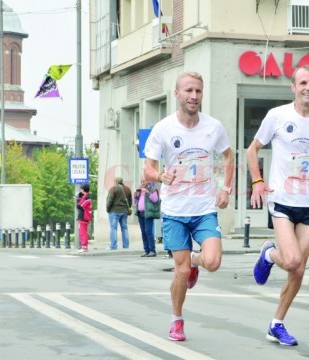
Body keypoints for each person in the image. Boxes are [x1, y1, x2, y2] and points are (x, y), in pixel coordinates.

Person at [247, 65, 309, 346]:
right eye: (302, 82)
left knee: (298, 270)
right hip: (282, 199)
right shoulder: (277, 116)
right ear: (293, 87)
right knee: (290, 260)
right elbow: (251, 149)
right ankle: (268, 254)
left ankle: (276, 323)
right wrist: (257, 181)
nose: (308, 87)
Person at [143, 71, 235, 342]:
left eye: (198, 91)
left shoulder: (213, 127)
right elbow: (148, 169)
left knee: (214, 262)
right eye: (188, 91)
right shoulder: (164, 129)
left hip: (204, 208)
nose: (194, 96)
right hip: (174, 211)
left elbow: (229, 157)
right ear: (177, 94)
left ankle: (196, 261)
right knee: (180, 272)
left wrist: (226, 188)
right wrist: (161, 176)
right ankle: (177, 319)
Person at [106, 177, 132, 250]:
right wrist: (128, 208)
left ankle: (113, 246)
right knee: (124, 228)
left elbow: (109, 200)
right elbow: (130, 201)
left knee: (113, 228)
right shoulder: (127, 189)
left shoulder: (113, 189)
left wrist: (108, 209)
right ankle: (126, 246)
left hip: (114, 211)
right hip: (124, 211)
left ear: (115, 181)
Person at [134, 177, 157, 257]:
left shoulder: (152, 189)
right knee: (143, 232)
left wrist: (147, 192)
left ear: (148, 181)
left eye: (144, 181)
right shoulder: (140, 190)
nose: (142, 182)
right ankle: (146, 250)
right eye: (141, 181)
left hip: (148, 213)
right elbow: (135, 202)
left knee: (148, 231)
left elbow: (155, 199)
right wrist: (135, 196)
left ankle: (152, 250)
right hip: (140, 213)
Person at [76, 184, 92, 253]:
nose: (80, 190)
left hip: (83, 216)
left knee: (83, 232)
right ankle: (85, 246)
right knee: (84, 232)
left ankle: (84, 247)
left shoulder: (86, 197)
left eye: (81, 189)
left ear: (83, 189)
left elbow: (80, 206)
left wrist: (77, 201)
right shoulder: (86, 197)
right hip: (85, 216)